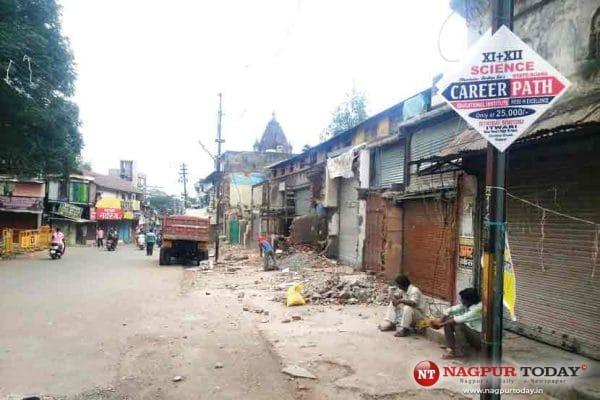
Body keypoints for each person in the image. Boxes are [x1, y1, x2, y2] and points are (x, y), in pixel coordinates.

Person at [430, 288, 482, 359]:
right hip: (470, 332)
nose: (461, 301)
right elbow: (450, 310)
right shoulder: (468, 304)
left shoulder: (478, 308)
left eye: (463, 299)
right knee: (449, 321)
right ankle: (451, 350)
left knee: (459, 326)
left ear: (470, 300)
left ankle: (462, 353)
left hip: (479, 337)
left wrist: (441, 324)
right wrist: (441, 320)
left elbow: (460, 319)